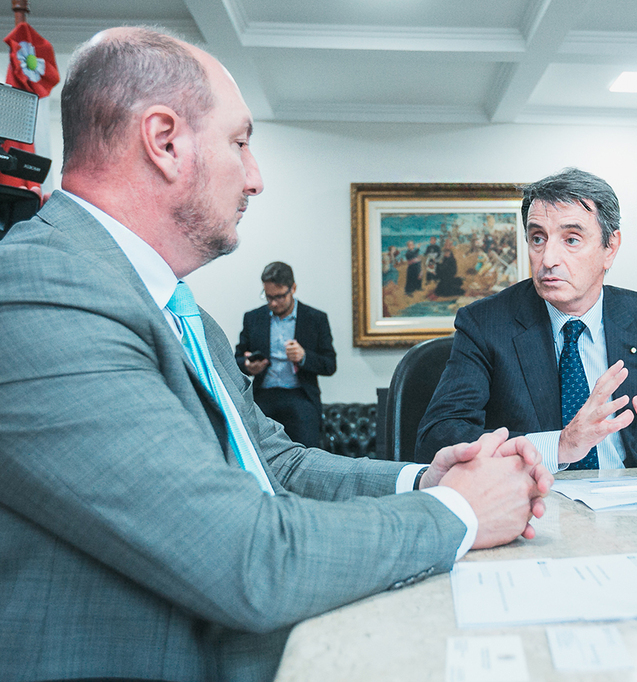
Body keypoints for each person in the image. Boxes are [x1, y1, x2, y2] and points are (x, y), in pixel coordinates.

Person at [0, 27, 551, 682]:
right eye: (239, 143)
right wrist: (460, 511)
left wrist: (424, 480)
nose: (255, 178)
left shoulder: (180, 312)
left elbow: (276, 463)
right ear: (166, 141)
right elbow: (244, 556)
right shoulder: (37, 292)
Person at [416, 168, 637, 475]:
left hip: (635, 507)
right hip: (534, 502)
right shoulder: (486, 323)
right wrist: (559, 446)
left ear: (610, 248)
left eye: (571, 239)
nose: (548, 259)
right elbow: (439, 438)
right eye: (538, 238)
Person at [235, 262, 337, 447]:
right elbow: (236, 360)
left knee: (307, 453)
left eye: (280, 297)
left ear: (293, 288)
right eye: (268, 297)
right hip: (263, 396)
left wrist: (304, 357)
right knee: (254, 450)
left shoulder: (315, 319)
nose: (273, 303)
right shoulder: (253, 318)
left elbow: (330, 365)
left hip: (300, 396)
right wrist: (248, 365)